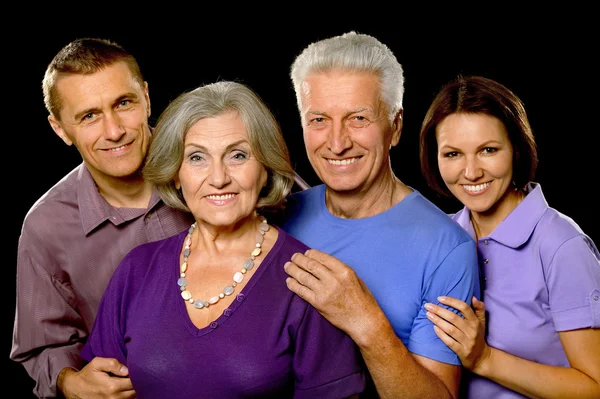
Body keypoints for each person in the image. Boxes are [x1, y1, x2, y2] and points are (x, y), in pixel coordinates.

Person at [80, 80, 366, 398]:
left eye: (238, 156)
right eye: (197, 158)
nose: (218, 178)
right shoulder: (137, 269)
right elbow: (99, 388)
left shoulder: (308, 283)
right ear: (176, 173)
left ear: (265, 169)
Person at [279, 31, 481, 398]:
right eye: (319, 119)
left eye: (358, 118)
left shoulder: (447, 249)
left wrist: (367, 323)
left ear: (396, 126)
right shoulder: (279, 215)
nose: (337, 143)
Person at [10, 38, 196, 398]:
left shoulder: (216, 161)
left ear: (145, 97)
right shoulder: (46, 225)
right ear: (60, 129)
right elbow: (42, 347)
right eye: (89, 116)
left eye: (123, 103)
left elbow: (312, 217)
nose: (114, 131)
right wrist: (71, 381)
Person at [419, 75, 600, 398]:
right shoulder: (438, 237)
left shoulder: (561, 245)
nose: (471, 172)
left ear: (515, 148)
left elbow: (595, 387)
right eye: (452, 154)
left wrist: (484, 359)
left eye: (488, 150)